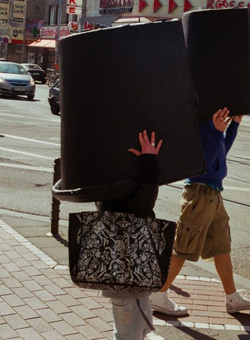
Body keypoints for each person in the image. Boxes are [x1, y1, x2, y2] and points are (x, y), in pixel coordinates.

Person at [150, 108, 250, 316]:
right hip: (200, 194)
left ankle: (231, 298)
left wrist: (233, 127)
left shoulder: (212, 123)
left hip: (213, 194)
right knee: (183, 247)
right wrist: (215, 131)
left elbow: (220, 153)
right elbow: (201, 165)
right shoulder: (200, 122)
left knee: (221, 246)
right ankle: (158, 294)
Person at [96, 130, 163, 340]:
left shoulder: (105, 174)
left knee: (136, 329)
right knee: (129, 334)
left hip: (125, 268)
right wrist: (149, 164)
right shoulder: (117, 191)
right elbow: (141, 207)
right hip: (128, 270)